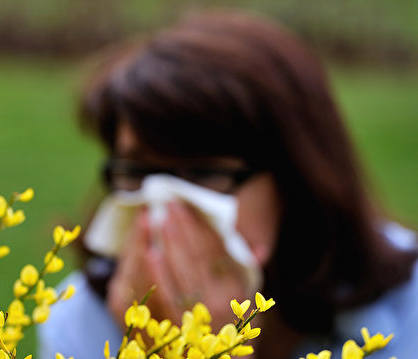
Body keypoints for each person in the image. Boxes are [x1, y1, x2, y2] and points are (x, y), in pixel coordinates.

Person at [39, 10, 418, 359]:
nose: (165, 202)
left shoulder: (409, 311)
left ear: (295, 180)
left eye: (205, 173)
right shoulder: (81, 322)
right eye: (138, 171)